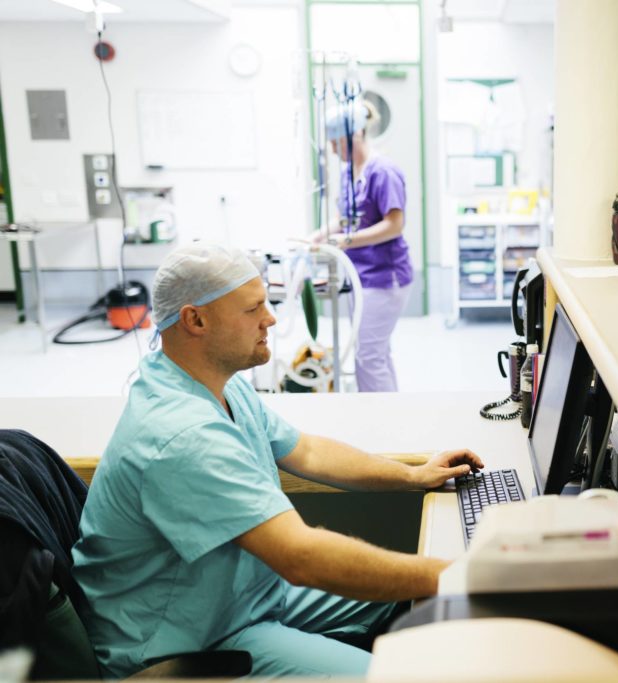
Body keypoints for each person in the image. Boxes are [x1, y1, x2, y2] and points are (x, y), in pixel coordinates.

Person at [71, 242, 483, 678]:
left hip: (245, 593)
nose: (270, 319)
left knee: (408, 595)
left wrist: (414, 474)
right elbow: (300, 556)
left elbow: (306, 450)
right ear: (195, 319)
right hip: (185, 640)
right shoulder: (181, 433)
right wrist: (462, 574)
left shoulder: (218, 385)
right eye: (253, 309)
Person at [325, 100, 413, 392]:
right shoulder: (349, 172)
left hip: (384, 277)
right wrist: (314, 239)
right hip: (361, 275)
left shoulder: (383, 172)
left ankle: (380, 421)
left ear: (355, 135)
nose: (334, 151)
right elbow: (343, 218)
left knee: (368, 355)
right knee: (376, 351)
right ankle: (392, 410)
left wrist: (348, 240)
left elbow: (394, 224)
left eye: (337, 143)